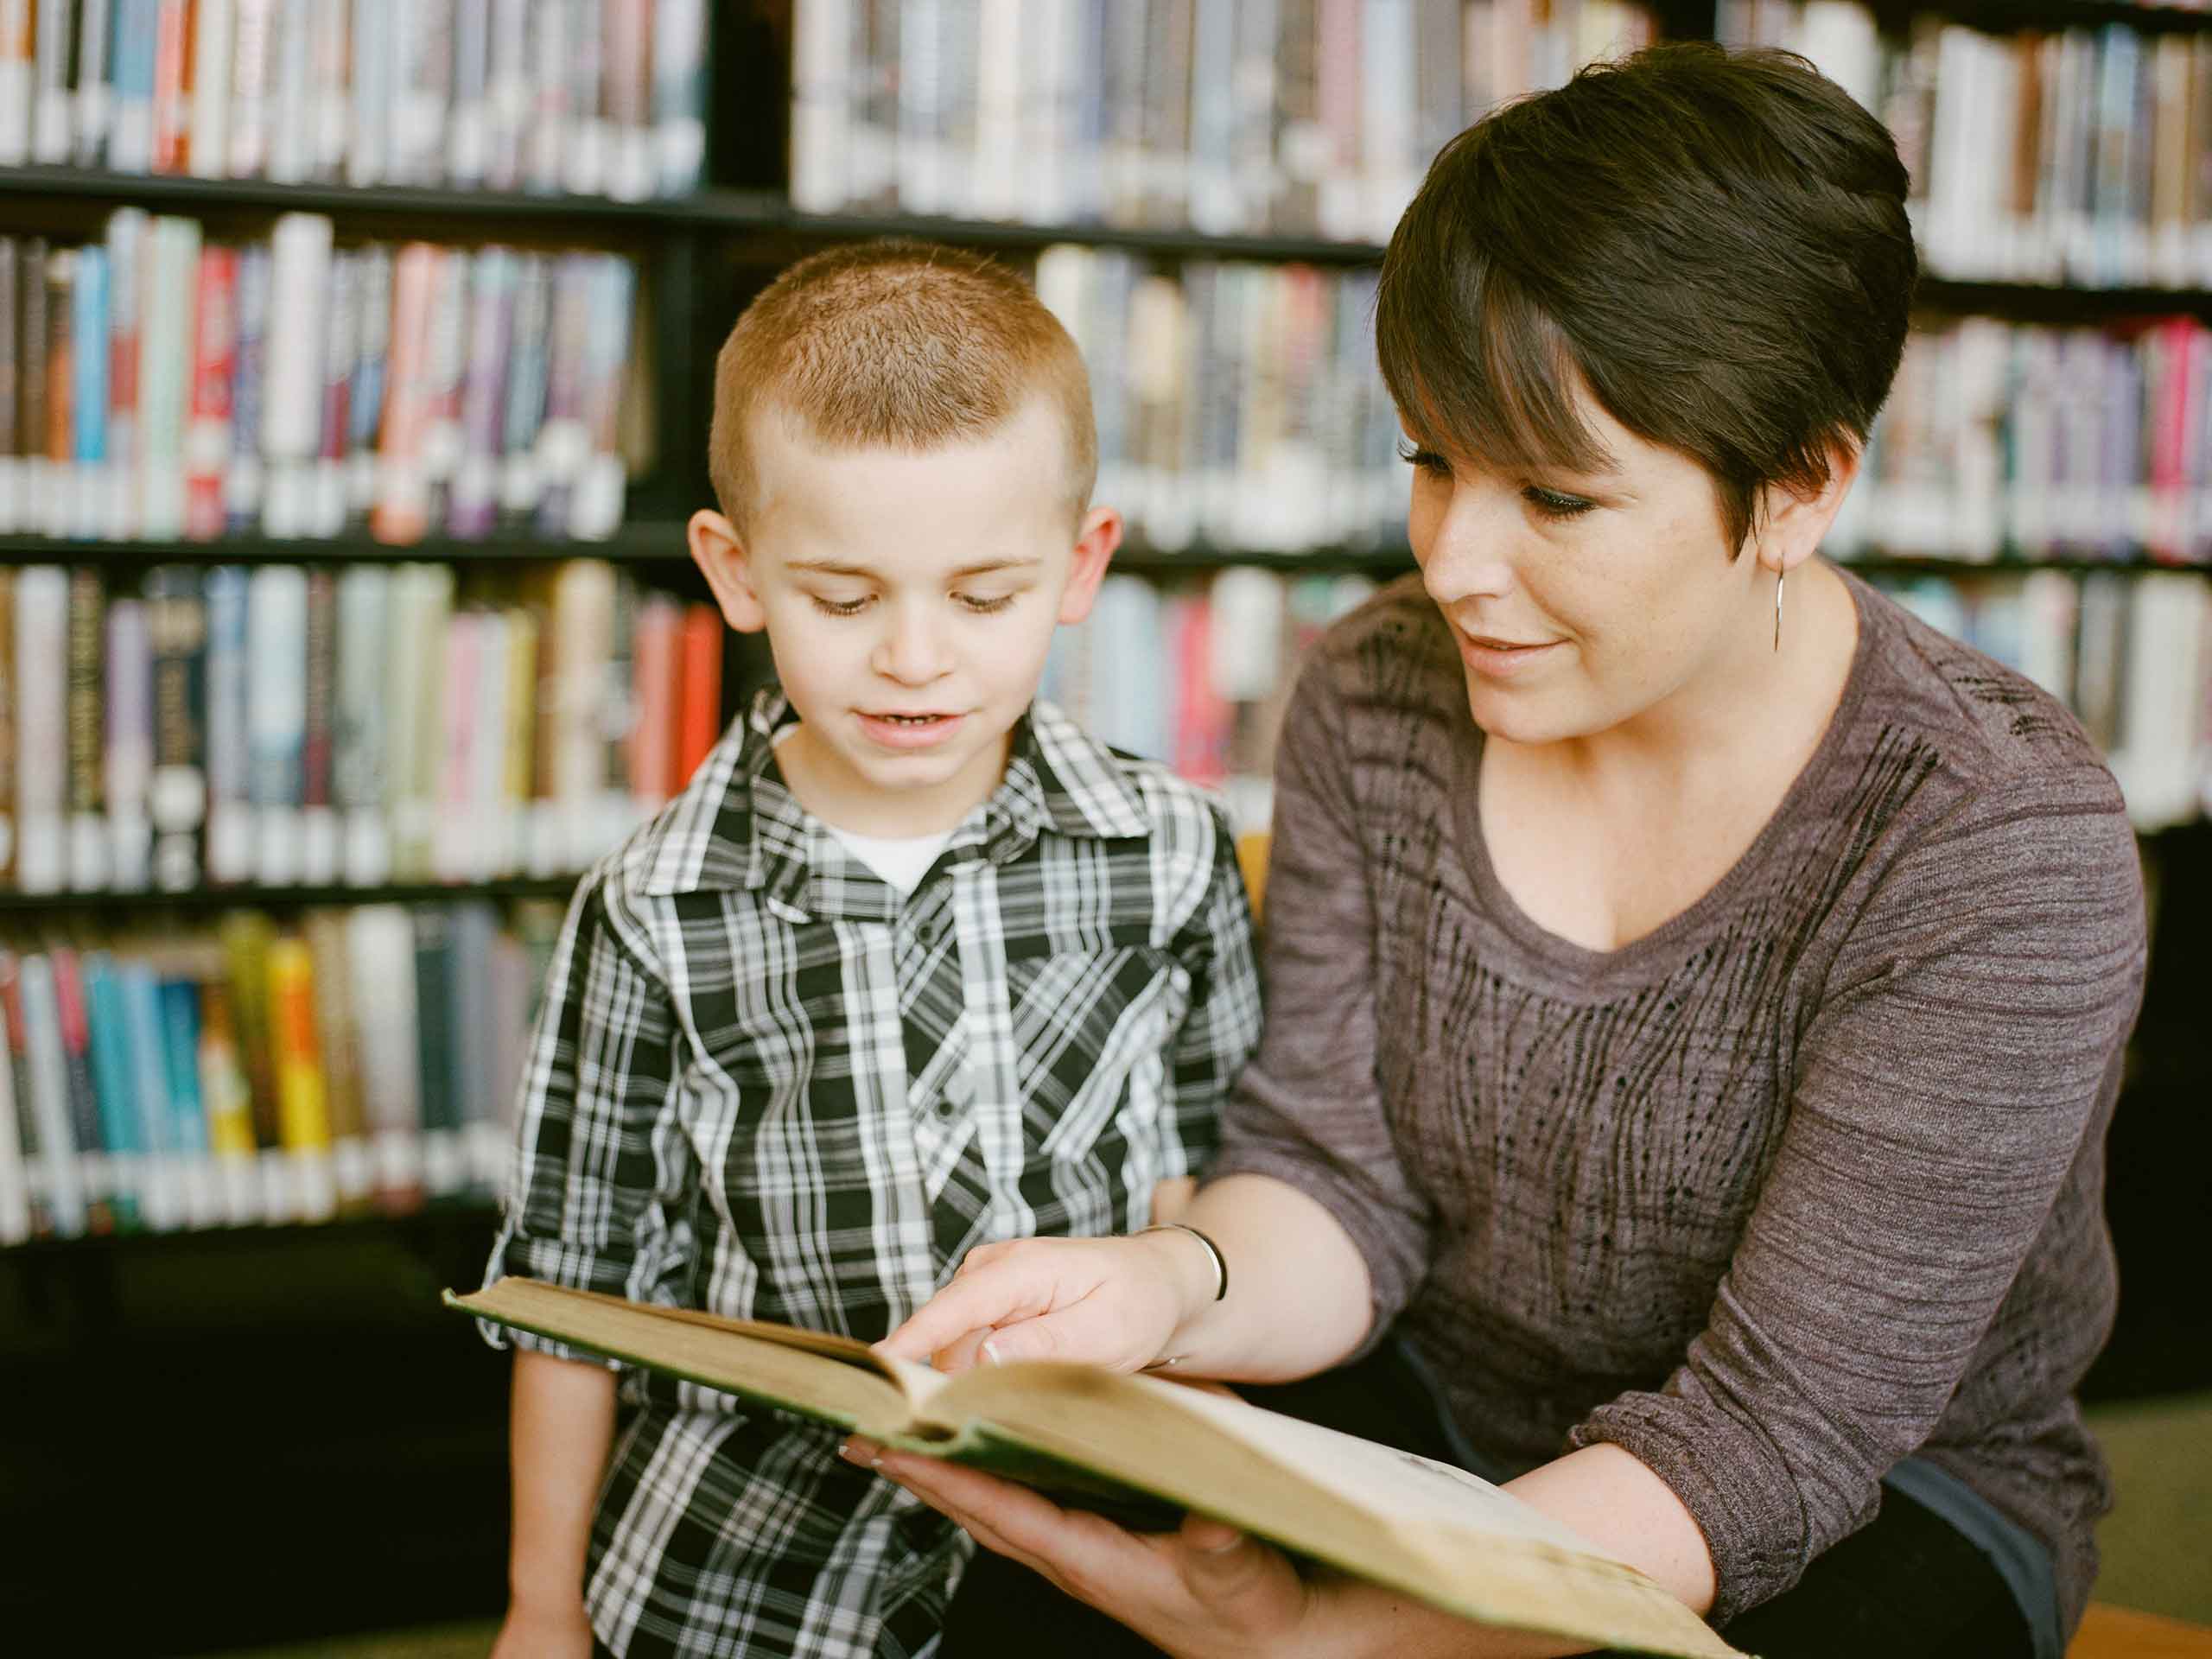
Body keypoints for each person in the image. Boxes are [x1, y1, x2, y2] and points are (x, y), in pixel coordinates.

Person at [863, 44, 2147, 1659]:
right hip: (1438, 1408)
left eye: (1554, 496)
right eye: (1432, 461)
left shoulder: (1994, 844)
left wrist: (1325, 1639)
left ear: (1803, 485)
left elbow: (1770, 1444)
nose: (1457, 562)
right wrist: (1170, 1286)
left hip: (1883, 1501)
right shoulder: (1376, 688)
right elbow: (1338, 1183)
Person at [479, 240, 1264, 1659]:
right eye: (845, 598)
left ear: (1082, 565)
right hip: (748, 1576)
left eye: (983, 596)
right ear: (737, 571)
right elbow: (566, 1289)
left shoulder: (1168, 852)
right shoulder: (653, 906)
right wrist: (542, 1609)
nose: (916, 659)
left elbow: (1211, 1184)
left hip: (1092, 1553)